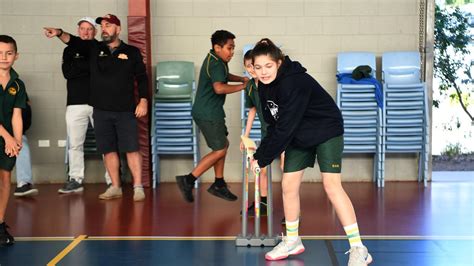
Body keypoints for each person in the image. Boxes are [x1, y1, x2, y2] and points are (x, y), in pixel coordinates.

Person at [249, 39, 372, 265]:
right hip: (299, 134)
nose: (264, 72)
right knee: (288, 186)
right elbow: (273, 125)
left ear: (279, 63)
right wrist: (259, 155)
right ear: (252, 68)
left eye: (268, 66)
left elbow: (284, 128)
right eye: (258, 67)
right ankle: (293, 240)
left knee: (331, 186)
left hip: (326, 129)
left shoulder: (293, 82)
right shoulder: (263, 86)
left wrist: (263, 158)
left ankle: (358, 247)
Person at [44, 14, 148, 201]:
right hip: (100, 110)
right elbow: (73, 41)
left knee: (131, 148)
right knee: (108, 150)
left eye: (108, 25)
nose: (104, 29)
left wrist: (143, 100)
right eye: (102, 26)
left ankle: (138, 187)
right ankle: (115, 186)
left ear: (118, 28)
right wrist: (59, 33)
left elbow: (141, 77)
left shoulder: (131, 51)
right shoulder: (94, 48)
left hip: (125, 109)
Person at [175, 30, 249, 203]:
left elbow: (224, 77)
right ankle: (188, 179)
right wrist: (243, 87)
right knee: (220, 149)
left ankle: (219, 183)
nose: (232, 52)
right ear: (217, 47)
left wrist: (241, 79)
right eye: (229, 48)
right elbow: (219, 88)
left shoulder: (217, 60)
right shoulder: (216, 63)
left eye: (233, 48)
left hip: (211, 110)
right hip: (207, 112)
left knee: (223, 145)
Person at [58, 17, 112, 194]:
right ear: (78, 30)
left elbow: (104, 73)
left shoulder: (101, 48)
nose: (86, 32)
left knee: (106, 142)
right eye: (83, 28)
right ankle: (75, 179)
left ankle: (112, 179)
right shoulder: (69, 50)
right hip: (75, 103)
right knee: (75, 144)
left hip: (100, 102)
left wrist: (81, 66)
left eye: (90, 29)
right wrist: (90, 66)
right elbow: (68, 73)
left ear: (95, 32)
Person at [0, 35, 27, 246]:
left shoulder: (18, 84)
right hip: (3, 136)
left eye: (9, 53)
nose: (4, 57)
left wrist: (17, 141)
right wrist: (8, 137)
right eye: (0, 53)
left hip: (7, 139)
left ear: (16, 56)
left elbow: (16, 115)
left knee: (5, 179)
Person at [240, 49, 269, 216]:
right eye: (248, 67)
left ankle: (293, 213)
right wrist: (246, 135)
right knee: (262, 168)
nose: (251, 69)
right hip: (266, 132)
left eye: (254, 66)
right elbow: (253, 109)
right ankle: (263, 204)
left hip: (283, 132)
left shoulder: (270, 82)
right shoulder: (250, 86)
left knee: (286, 168)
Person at [14, 95, 39, 197]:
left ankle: (23, 184)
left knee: (21, 144)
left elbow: (26, 112)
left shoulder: (18, 87)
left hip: (14, 133)